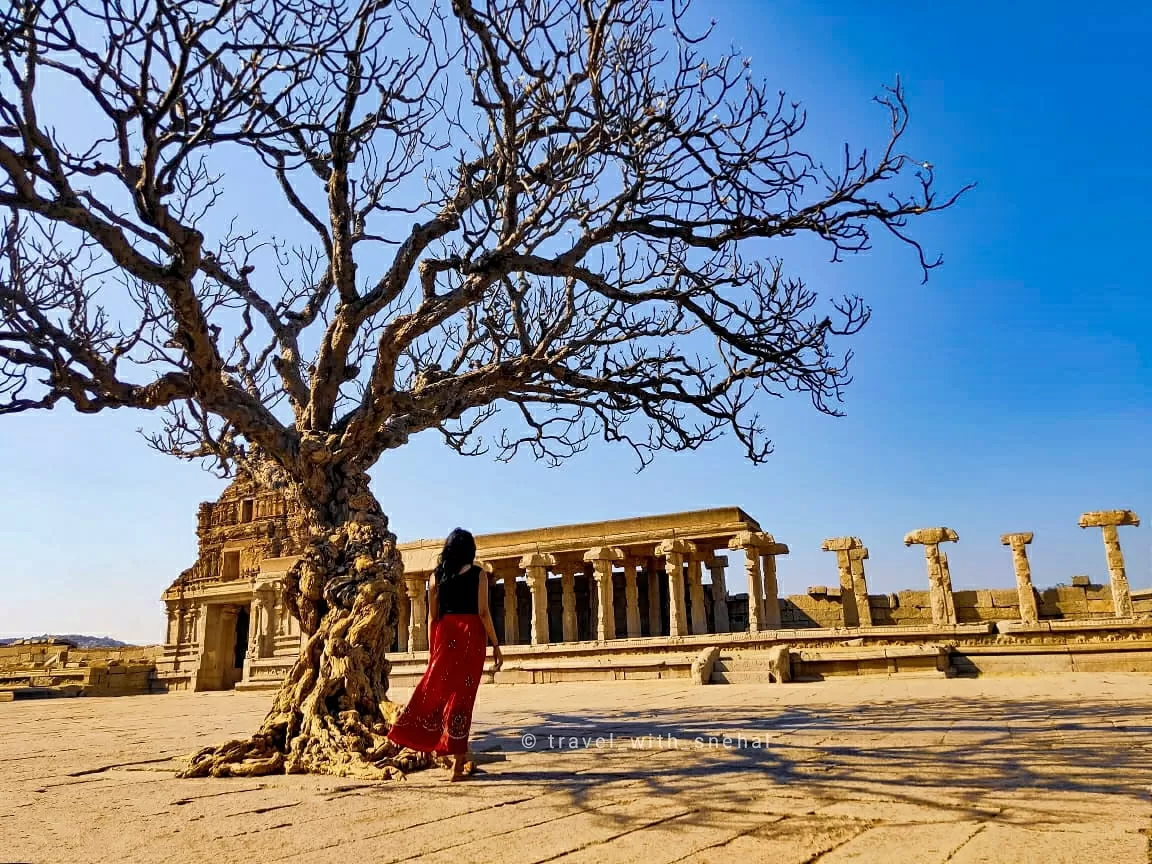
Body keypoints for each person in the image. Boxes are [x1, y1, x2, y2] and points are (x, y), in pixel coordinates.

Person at [387, 527, 503, 780]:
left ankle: (411, 734)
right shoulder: (478, 575)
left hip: (445, 634)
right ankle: (457, 765)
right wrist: (495, 644)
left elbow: (432, 617)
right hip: (470, 635)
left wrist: (432, 650)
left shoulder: (435, 577)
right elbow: (483, 612)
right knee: (462, 698)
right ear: (470, 551)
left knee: (434, 690)